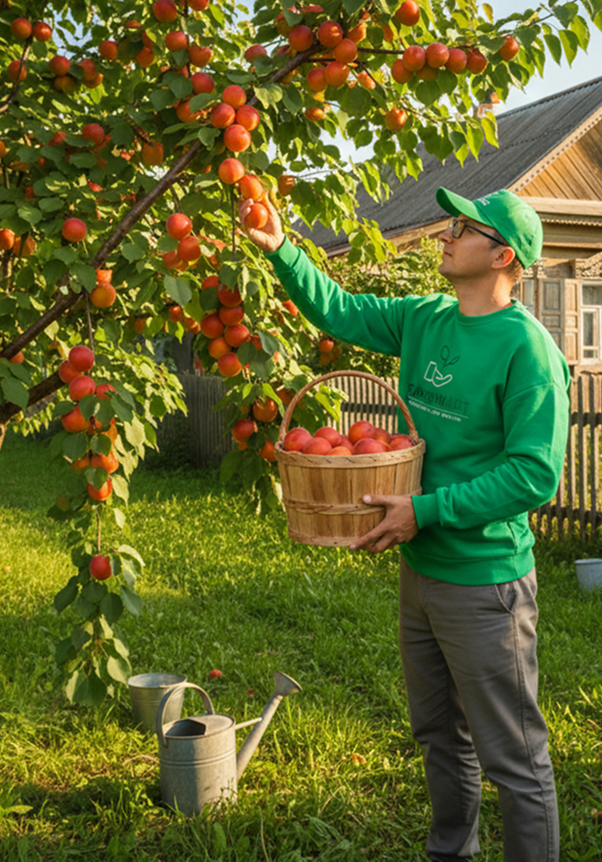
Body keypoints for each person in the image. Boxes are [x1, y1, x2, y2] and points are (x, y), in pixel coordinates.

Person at [239, 186, 569, 862]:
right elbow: (342, 309)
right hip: (420, 574)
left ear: (502, 254)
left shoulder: (527, 351)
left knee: (514, 758)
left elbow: (534, 475)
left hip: (485, 584)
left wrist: (424, 511)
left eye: (461, 227)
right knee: (437, 735)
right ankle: (452, 851)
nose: (443, 233)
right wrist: (280, 248)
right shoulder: (425, 319)